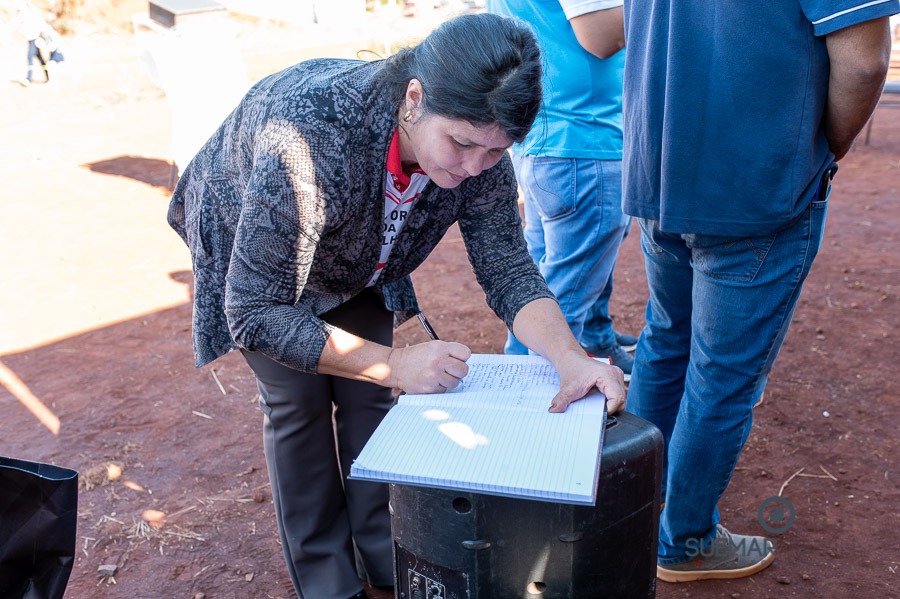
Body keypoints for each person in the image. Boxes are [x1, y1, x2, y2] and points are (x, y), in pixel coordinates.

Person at [167, 13, 626, 599]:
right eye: (461, 144)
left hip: (358, 252)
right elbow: (256, 313)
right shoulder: (313, 138)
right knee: (299, 404)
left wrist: (570, 358)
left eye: (495, 153)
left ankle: (390, 555)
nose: (472, 168)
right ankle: (327, 580)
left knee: (368, 400)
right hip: (262, 250)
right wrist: (393, 363)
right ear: (414, 99)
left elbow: (509, 272)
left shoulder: (479, 143)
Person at [621, 0, 897, 583]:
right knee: (721, 377)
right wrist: (828, 146)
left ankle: (632, 511)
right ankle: (685, 541)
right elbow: (865, 63)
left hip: (658, 165)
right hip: (754, 184)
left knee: (666, 340)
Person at [486, 0, 638, 379]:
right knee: (564, 296)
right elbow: (601, 36)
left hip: (548, 134)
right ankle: (532, 386)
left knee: (541, 279)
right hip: (581, 137)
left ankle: (573, 348)